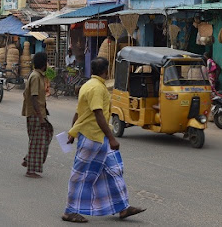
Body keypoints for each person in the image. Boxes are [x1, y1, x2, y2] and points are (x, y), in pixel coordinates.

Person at [62, 57, 145, 223]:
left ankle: (122, 207)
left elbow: (79, 113)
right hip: (93, 137)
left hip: (98, 140)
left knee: (114, 170)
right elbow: (98, 114)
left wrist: (72, 132)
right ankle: (69, 211)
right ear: (105, 71)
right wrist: (111, 137)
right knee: (80, 175)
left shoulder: (88, 85)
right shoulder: (97, 88)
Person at [21, 52, 53, 178]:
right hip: (35, 114)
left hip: (40, 112)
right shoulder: (35, 77)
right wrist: (40, 117)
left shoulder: (39, 76)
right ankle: (31, 170)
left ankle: (28, 159)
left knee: (45, 135)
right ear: (43, 63)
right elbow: (33, 97)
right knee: (36, 141)